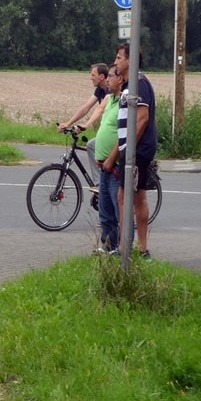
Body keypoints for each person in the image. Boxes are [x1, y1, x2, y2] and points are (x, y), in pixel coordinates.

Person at [102, 42, 157, 259]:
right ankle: (141, 250)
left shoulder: (139, 83)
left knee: (124, 197)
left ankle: (126, 249)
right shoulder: (129, 85)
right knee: (137, 198)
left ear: (130, 60)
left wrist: (128, 149)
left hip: (138, 150)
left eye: (118, 58)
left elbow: (142, 119)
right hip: (135, 149)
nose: (115, 62)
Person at [57, 63, 110, 184]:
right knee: (93, 146)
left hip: (115, 132)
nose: (90, 77)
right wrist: (68, 123)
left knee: (92, 145)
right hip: (107, 130)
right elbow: (86, 107)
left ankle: (100, 184)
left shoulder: (110, 90)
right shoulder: (100, 90)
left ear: (102, 76)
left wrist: (86, 125)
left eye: (93, 75)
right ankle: (101, 182)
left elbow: (100, 109)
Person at [92, 65, 123, 254]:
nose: (108, 80)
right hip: (103, 164)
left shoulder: (124, 102)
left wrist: (111, 158)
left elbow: (123, 134)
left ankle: (121, 248)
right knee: (105, 211)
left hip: (115, 165)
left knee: (117, 207)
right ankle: (108, 245)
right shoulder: (109, 99)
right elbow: (96, 113)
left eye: (111, 76)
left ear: (120, 79)